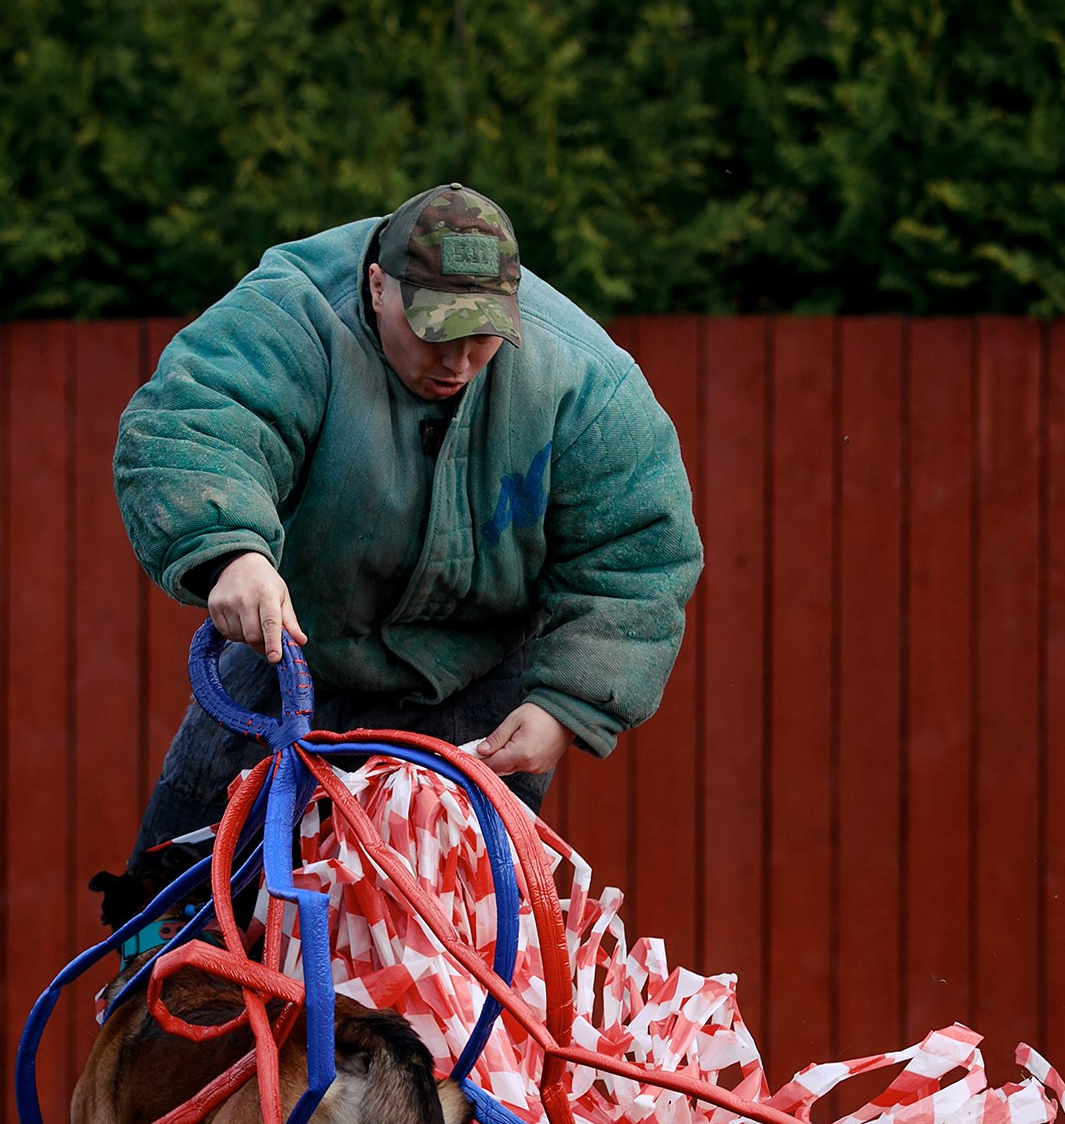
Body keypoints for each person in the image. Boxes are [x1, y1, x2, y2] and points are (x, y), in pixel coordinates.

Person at [111, 181, 702, 877]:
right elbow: (196, 421)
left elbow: (638, 552)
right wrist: (232, 552)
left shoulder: (585, 381)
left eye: (481, 337)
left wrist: (567, 707)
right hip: (294, 653)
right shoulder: (291, 312)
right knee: (176, 905)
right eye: (434, 334)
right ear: (376, 285)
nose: (456, 363)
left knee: (441, 961)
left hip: (475, 691)